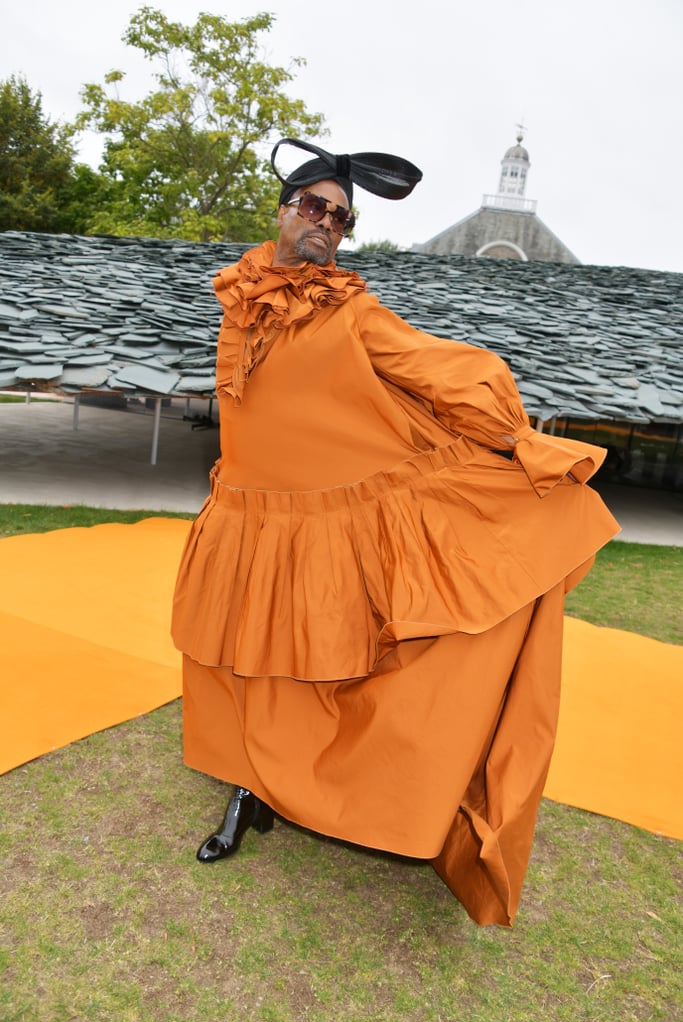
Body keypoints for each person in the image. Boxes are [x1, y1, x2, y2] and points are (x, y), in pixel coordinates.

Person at [172, 138, 619, 927]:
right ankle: (250, 787)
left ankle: (326, 785)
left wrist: (514, 439)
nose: (325, 225)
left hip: (316, 524)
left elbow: (444, 370)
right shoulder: (238, 298)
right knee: (242, 664)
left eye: (340, 219)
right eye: (312, 206)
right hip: (245, 515)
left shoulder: (350, 311)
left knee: (317, 667)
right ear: (281, 209)